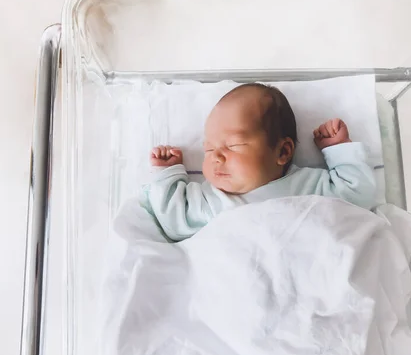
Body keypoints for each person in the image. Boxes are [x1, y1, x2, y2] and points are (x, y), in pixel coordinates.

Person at [141, 83, 376, 241]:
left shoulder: (308, 186)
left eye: (233, 145)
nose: (216, 156)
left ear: (283, 151)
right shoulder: (210, 199)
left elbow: (358, 196)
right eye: (209, 149)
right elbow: (173, 221)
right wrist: (167, 175)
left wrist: (339, 149)